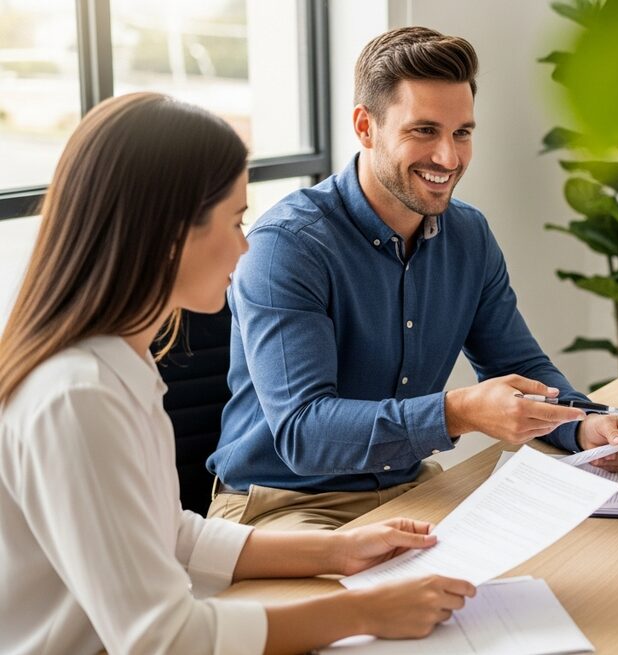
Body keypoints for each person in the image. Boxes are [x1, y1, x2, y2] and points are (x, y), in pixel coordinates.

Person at [0, 92, 477, 654]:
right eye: (234, 221)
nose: (246, 245)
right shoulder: (77, 398)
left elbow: (168, 534)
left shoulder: (121, 360)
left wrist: (339, 552)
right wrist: (363, 610)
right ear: (166, 233)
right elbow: (164, 640)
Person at [207, 26, 618, 531]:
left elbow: (519, 363)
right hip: (285, 504)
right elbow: (305, 435)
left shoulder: (469, 235)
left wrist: (584, 424)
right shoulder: (288, 247)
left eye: (462, 133)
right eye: (424, 131)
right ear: (365, 127)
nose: (449, 158)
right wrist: (457, 412)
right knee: (381, 607)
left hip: (409, 491)